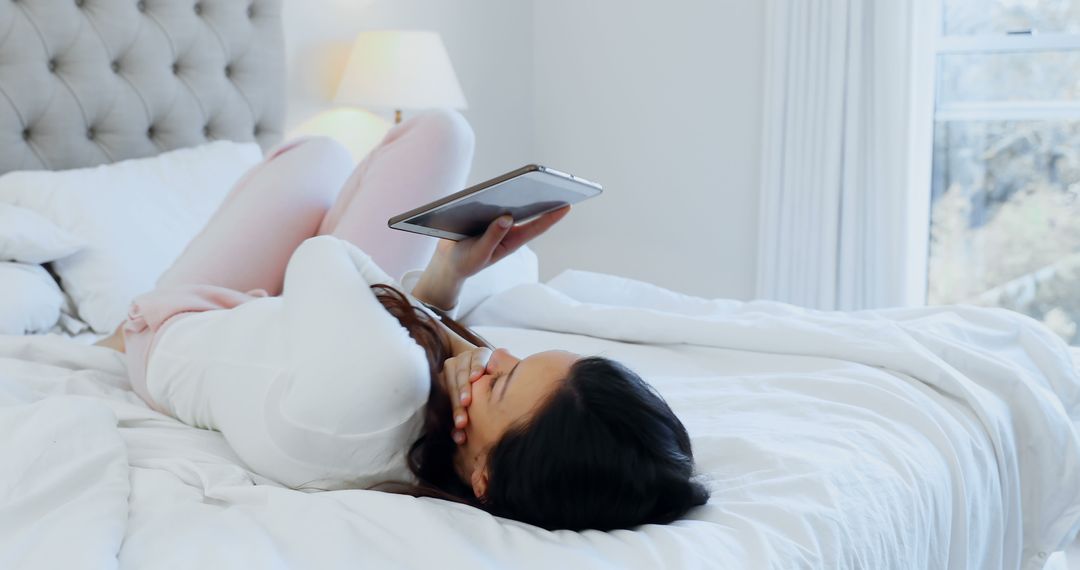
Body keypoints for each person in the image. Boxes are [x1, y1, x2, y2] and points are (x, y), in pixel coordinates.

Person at [95, 110, 708, 531]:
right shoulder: (435, 429)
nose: (489, 357)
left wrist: (438, 322)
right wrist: (448, 278)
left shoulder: (387, 384)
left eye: (498, 383)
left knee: (320, 153)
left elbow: (319, 257)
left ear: (486, 479)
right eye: (514, 359)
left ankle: (104, 321)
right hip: (291, 321)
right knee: (442, 132)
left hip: (183, 317)